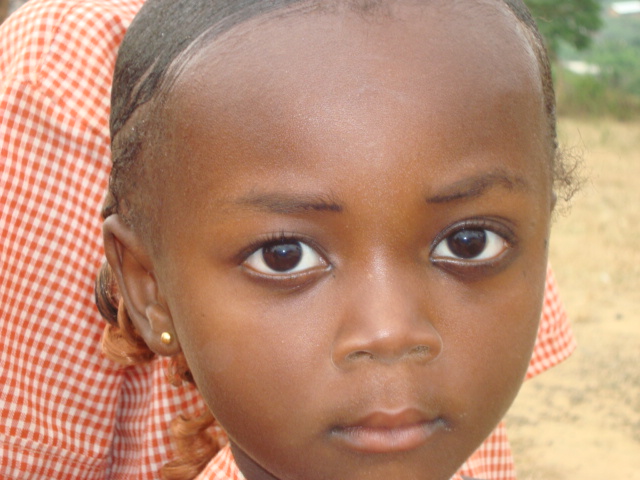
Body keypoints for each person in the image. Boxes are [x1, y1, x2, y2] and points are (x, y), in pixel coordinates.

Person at [0, 0, 574, 479]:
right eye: (284, 256)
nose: (392, 331)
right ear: (147, 288)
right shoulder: (63, 59)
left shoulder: (466, 33)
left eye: (469, 243)